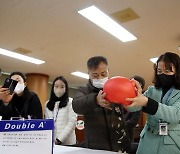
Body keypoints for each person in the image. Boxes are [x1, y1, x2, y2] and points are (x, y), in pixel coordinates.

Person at [72, 56, 131, 152]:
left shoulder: (116, 87)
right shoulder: (84, 90)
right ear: (89, 74)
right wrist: (95, 100)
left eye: (103, 74)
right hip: (96, 145)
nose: (100, 78)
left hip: (120, 142)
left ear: (108, 71)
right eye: (95, 75)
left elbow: (129, 106)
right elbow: (76, 105)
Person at [126, 52, 180, 154]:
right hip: (148, 141)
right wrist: (130, 94)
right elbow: (133, 108)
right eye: (159, 71)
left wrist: (147, 102)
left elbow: (175, 114)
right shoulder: (152, 90)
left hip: (171, 143)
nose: (162, 74)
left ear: (177, 71)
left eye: (167, 71)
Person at [44, 76, 77, 145]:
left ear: (66, 89)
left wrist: (59, 140)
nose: (59, 89)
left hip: (68, 143)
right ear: (53, 88)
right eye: (56, 86)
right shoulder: (47, 104)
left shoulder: (71, 102)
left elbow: (72, 123)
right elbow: (47, 122)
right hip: (51, 142)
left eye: (62, 87)